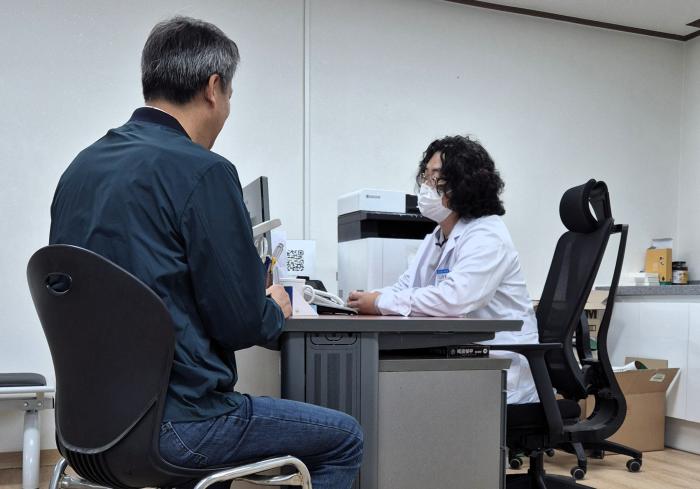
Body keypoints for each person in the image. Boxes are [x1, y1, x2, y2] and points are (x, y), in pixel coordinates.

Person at [49, 16, 362, 488]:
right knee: (345, 438)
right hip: (176, 429)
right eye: (230, 95)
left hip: (84, 434)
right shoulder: (204, 171)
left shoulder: (79, 170)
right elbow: (240, 323)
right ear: (214, 88)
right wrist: (273, 308)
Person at [347, 135, 539, 404]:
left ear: (465, 183)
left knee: (394, 393)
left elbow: (454, 298)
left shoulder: (487, 235)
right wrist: (362, 299)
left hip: (498, 366)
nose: (427, 187)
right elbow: (406, 286)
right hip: (464, 356)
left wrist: (379, 303)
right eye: (425, 177)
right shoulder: (438, 236)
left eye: (436, 178)